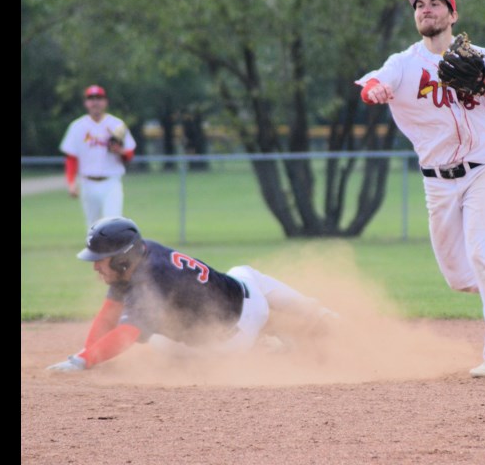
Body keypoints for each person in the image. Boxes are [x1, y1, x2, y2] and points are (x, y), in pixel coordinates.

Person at [355, 0, 485, 378]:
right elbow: (375, 83)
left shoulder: (479, 57)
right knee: (461, 278)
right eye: (420, 6)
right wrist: (375, 92)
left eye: (435, 4)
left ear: (453, 15)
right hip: (438, 181)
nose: (426, 10)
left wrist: (483, 87)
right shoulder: (404, 63)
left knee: (480, 254)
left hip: (483, 166)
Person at [47, 216, 338, 371]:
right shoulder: (139, 256)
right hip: (237, 309)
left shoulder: (153, 281)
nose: (95, 265)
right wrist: (85, 356)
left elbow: (124, 335)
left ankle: (277, 345)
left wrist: (83, 362)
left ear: (122, 259)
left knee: (163, 345)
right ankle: (314, 313)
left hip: (234, 335)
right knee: (246, 274)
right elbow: (108, 314)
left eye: (101, 258)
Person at [59, 85, 137, 229]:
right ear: (86, 103)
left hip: (111, 182)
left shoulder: (116, 124)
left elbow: (129, 155)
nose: (95, 102)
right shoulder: (77, 126)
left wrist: (118, 151)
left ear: (105, 102)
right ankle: (96, 252)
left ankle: (113, 252)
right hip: (88, 183)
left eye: (99, 98)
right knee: (93, 228)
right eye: (91, 98)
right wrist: (71, 182)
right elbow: (71, 158)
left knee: (113, 225)